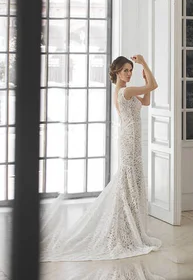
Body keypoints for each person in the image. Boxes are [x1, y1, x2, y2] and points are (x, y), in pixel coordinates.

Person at [40, 54, 162, 263]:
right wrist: (145, 64)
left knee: (131, 180)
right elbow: (155, 85)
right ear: (116, 72)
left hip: (130, 138)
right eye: (126, 70)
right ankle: (125, 227)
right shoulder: (125, 90)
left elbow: (147, 100)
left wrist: (143, 76)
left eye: (130, 69)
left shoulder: (125, 91)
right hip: (129, 139)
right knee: (129, 179)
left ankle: (128, 224)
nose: (129, 73)